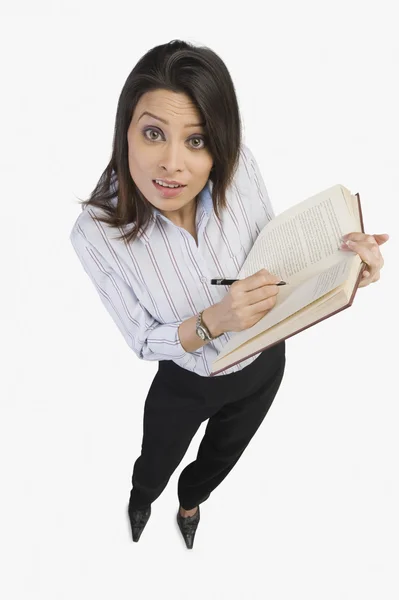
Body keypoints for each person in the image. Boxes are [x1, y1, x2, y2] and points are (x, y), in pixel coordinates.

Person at [69, 40, 389, 550]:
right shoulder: (95, 232)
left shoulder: (237, 167)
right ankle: (142, 499)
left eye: (197, 141)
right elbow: (142, 340)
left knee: (221, 456)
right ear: (125, 128)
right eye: (154, 133)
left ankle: (190, 504)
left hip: (264, 364)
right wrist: (212, 322)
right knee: (156, 458)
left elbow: (276, 258)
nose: (173, 164)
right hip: (186, 380)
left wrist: (349, 266)